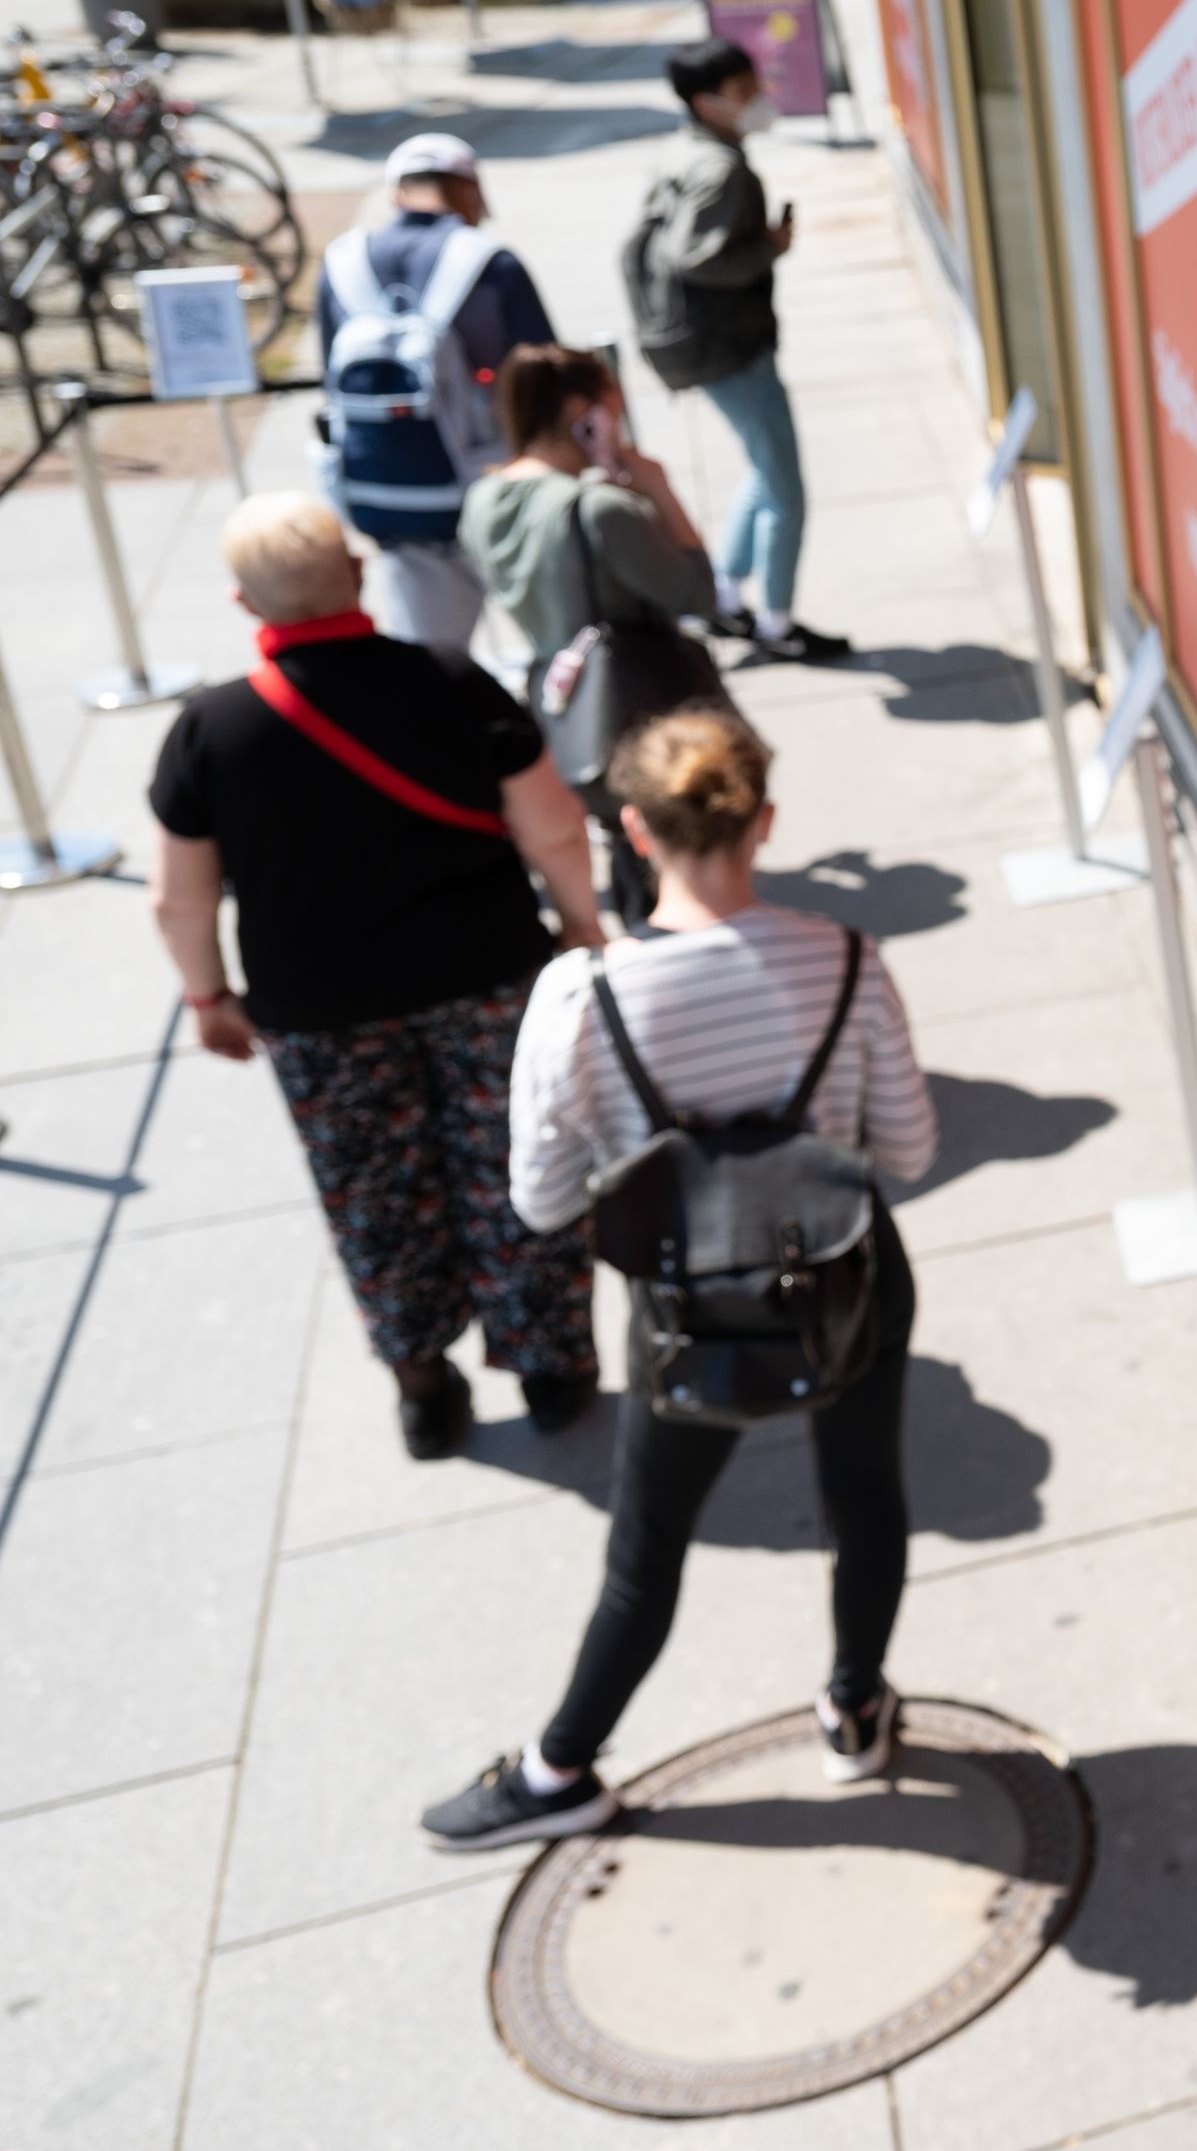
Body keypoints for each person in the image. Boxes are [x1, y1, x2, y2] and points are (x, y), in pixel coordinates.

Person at [422, 706, 936, 1848]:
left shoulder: (578, 1001)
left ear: (635, 834)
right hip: (845, 1285)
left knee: (646, 1551)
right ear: (765, 823)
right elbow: (907, 1151)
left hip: (688, 1314)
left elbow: (543, 1204)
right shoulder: (845, 962)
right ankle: (857, 1705)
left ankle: (559, 1770)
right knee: (866, 1501)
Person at [147, 494, 607, 1459]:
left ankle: (421, 1382)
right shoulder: (449, 678)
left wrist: (207, 995)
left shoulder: (210, 730)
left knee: (371, 1190)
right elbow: (554, 825)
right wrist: (579, 923)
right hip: (487, 975)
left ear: (245, 603)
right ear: (355, 573)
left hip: (320, 1009)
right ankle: (550, 1363)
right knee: (516, 1163)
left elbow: (179, 900)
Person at [463, 344, 724, 929]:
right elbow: (699, 593)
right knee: (669, 867)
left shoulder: (483, 500)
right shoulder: (601, 509)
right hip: (639, 708)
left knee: (624, 843)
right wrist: (656, 488)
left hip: (563, 707)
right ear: (586, 412)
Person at [641, 36, 848, 665]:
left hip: (706, 348)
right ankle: (777, 623)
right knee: (786, 489)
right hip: (730, 350)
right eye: (742, 92)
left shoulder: (686, 153)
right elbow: (693, 257)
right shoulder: (721, 169)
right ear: (707, 102)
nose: (757, 100)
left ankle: (726, 596)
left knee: (764, 469)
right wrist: (769, 248)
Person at [313, 132, 559, 662]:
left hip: (395, 502)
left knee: (431, 672)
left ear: (395, 192)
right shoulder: (492, 265)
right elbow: (546, 380)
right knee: (557, 654)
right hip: (498, 494)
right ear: (470, 190)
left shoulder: (340, 264)